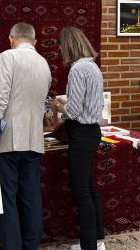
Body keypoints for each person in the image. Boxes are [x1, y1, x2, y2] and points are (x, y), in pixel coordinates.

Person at [0, 22, 52, 250]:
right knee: (31, 199)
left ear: (11, 39)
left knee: (7, 201)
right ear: (35, 41)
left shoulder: (7, 57)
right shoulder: (43, 63)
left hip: (8, 140)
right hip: (34, 140)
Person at [54, 26, 105, 250]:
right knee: (90, 188)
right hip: (92, 131)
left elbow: (74, 111)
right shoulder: (93, 67)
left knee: (81, 192)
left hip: (81, 134)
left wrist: (59, 107)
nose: (60, 52)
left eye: (60, 47)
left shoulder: (77, 69)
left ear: (68, 46)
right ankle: (97, 241)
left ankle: (88, 246)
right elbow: (87, 103)